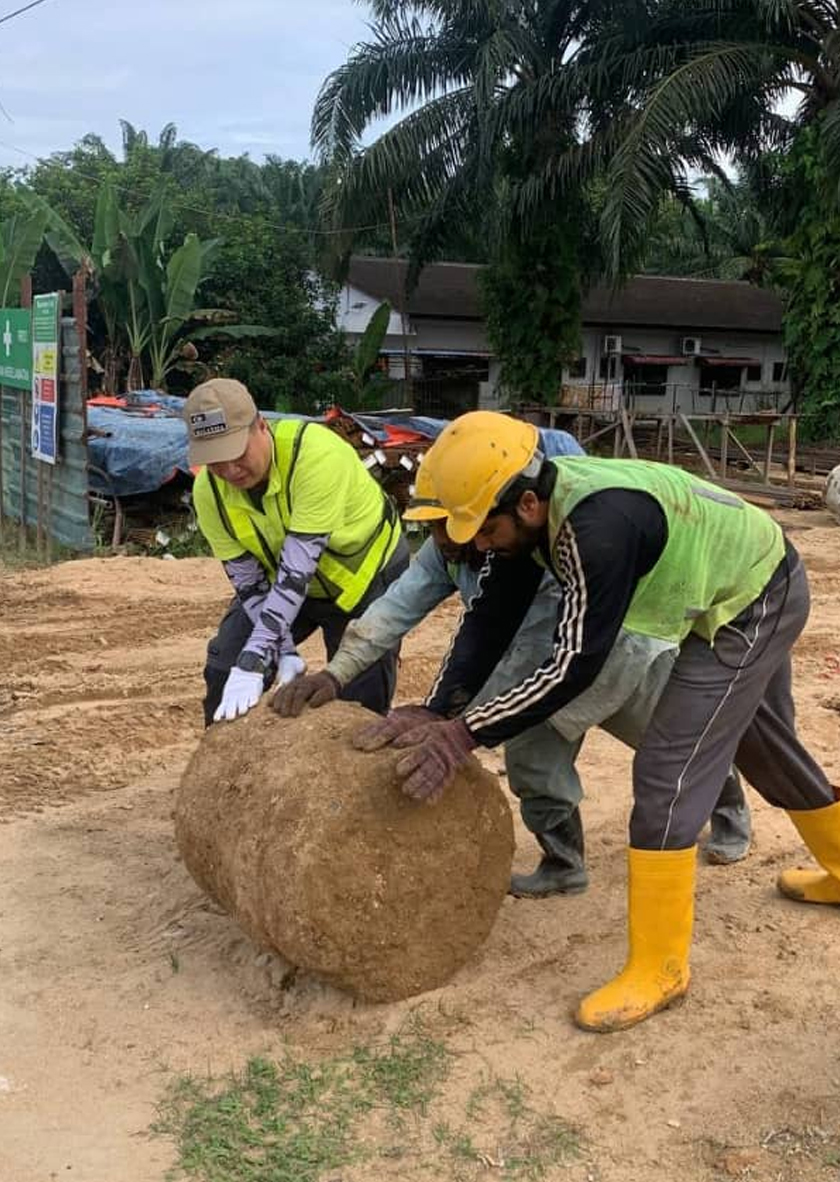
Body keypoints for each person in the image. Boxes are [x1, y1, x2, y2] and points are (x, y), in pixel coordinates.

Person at [355, 410, 839, 1033]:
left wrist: (464, 735)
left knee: (669, 767)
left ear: (527, 503)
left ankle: (660, 968)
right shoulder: (537, 516)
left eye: (485, 530)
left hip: (755, 596)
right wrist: (441, 708)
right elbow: (490, 619)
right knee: (761, 742)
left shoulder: (596, 530)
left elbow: (571, 667)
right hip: (728, 574)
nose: (476, 546)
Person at [273, 462, 752, 895]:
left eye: (452, 526)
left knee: (663, 734)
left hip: (606, 648)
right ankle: (564, 862)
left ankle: (728, 805)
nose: (444, 539)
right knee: (531, 752)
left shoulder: (529, 548)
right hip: (540, 666)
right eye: (434, 527)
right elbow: (399, 608)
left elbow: (529, 649)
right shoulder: (448, 551)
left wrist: (456, 724)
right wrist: (338, 674)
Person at [184, 378, 409, 725]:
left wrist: (258, 655)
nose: (229, 471)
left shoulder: (315, 455)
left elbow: (297, 571)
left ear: (261, 426)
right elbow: (248, 583)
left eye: (236, 453)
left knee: (358, 690)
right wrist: (281, 649)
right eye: (215, 462)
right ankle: (229, 772)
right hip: (285, 584)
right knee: (226, 664)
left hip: (363, 576)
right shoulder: (208, 493)